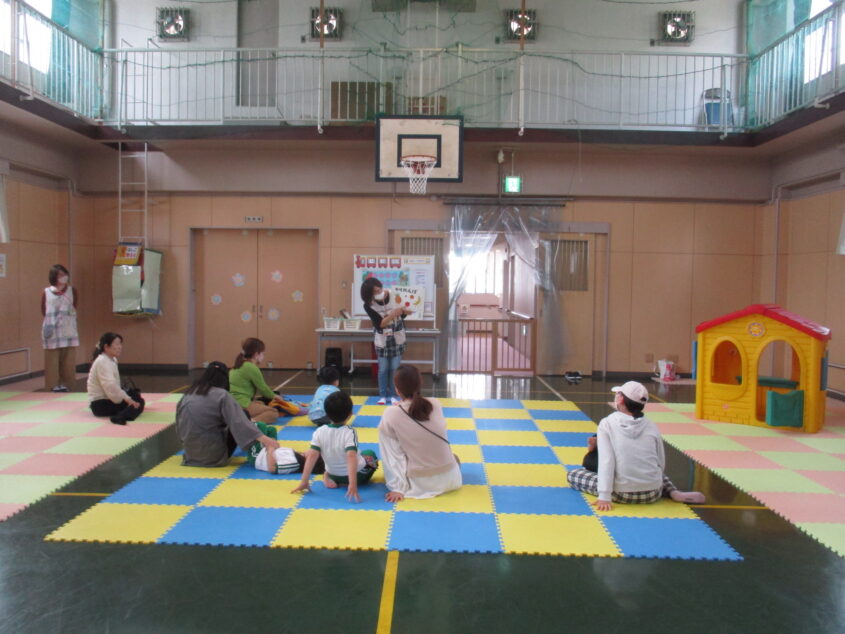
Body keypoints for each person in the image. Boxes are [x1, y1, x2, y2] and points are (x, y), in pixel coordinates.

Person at [567, 381, 706, 511]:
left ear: (620, 399)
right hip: (653, 493)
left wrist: (604, 496)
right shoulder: (651, 425)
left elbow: (606, 461)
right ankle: (673, 492)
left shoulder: (607, 423)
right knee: (652, 468)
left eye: (618, 394)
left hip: (621, 494)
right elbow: (660, 461)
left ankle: (614, 488)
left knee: (573, 474)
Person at [378, 364, 462, 502]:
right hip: (452, 478)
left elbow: (392, 454)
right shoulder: (435, 404)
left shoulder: (390, 413)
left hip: (421, 483)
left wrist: (397, 488)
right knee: (454, 457)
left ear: (397, 389)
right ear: (420, 383)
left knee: (398, 447)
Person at [177, 361, 280, 468]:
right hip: (214, 458)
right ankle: (256, 451)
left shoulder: (188, 394)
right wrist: (266, 440)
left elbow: (179, 427)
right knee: (243, 415)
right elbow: (239, 423)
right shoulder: (222, 395)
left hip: (190, 455)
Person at [291, 391, 379, 503]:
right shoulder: (349, 432)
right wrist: (352, 484)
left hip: (334, 474)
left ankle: (329, 475)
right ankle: (345, 482)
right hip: (357, 476)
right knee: (371, 454)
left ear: (326, 413)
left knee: (346, 454)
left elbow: (312, 456)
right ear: (350, 413)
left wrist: (304, 481)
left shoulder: (319, 431)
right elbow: (351, 456)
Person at [360, 277, 412, 405]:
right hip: (382, 339)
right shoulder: (368, 305)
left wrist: (405, 311)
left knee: (395, 368)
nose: (379, 293)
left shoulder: (394, 295)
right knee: (383, 369)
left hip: (397, 336)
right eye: (375, 292)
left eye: (380, 289)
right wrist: (392, 314)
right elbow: (380, 324)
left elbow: (403, 315)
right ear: (369, 295)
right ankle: (382, 395)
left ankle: (394, 394)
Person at [87, 332, 145, 425]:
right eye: (117, 344)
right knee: (139, 402)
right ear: (106, 347)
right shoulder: (102, 361)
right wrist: (127, 399)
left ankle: (124, 412)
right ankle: (120, 417)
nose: (120, 347)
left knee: (135, 396)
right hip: (100, 405)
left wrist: (126, 397)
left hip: (105, 399)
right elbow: (110, 385)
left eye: (120, 344)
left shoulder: (111, 359)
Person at [229, 338, 288, 424]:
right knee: (273, 412)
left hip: (232, 403)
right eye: (263, 353)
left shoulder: (238, 365)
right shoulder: (250, 367)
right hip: (241, 403)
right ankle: (248, 423)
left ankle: (244, 418)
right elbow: (263, 389)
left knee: (260, 403)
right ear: (256, 354)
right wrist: (276, 397)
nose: (263, 356)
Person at [41, 264, 79, 392]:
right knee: (51, 362)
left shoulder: (72, 291)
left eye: (65, 274)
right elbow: (43, 310)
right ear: (54, 277)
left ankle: (69, 387)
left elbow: (74, 306)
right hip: (51, 330)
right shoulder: (46, 292)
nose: (64, 277)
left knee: (68, 362)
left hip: (68, 329)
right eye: (60, 275)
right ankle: (52, 387)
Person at [245, 420, 325, 476]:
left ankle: (244, 424)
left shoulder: (294, 464)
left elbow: (272, 468)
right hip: (266, 450)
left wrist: (270, 449)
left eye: (315, 452)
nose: (312, 450)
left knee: (260, 425)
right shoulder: (299, 456)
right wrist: (273, 444)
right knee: (271, 430)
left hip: (258, 456)